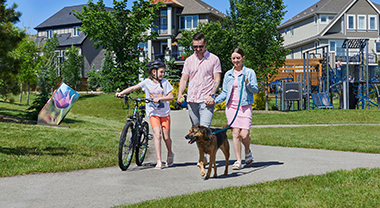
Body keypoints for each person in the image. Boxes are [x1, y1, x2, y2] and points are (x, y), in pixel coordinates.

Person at [115, 60, 174, 170]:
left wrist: (160, 98)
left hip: (164, 114)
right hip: (153, 113)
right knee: (157, 135)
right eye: (161, 72)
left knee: (166, 137)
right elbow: (133, 88)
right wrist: (121, 93)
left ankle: (170, 153)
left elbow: (171, 97)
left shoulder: (165, 82)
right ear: (153, 72)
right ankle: (159, 161)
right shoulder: (146, 82)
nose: (163, 74)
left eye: (163, 72)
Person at [177, 32, 221, 166]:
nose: (197, 49)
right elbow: (184, 78)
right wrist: (180, 94)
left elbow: (217, 78)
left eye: (200, 46)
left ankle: (208, 156)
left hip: (206, 100)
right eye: (195, 47)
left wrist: (212, 94)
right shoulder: (189, 60)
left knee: (205, 129)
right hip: (192, 100)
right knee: (196, 132)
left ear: (205, 44)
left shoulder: (214, 59)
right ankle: (202, 157)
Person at [214, 48, 259, 170]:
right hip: (231, 108)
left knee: (244, 135)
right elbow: (224, 92)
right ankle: (238, 160)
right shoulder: (228, 74)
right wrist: (214, 101)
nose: (236, 60)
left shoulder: (249, 72)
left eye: (238, 58)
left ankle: (247, 150)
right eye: (233, 58)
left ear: (243, 58)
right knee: (235, 133)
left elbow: (255, 90)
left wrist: (248, 83)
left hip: (245, 107)